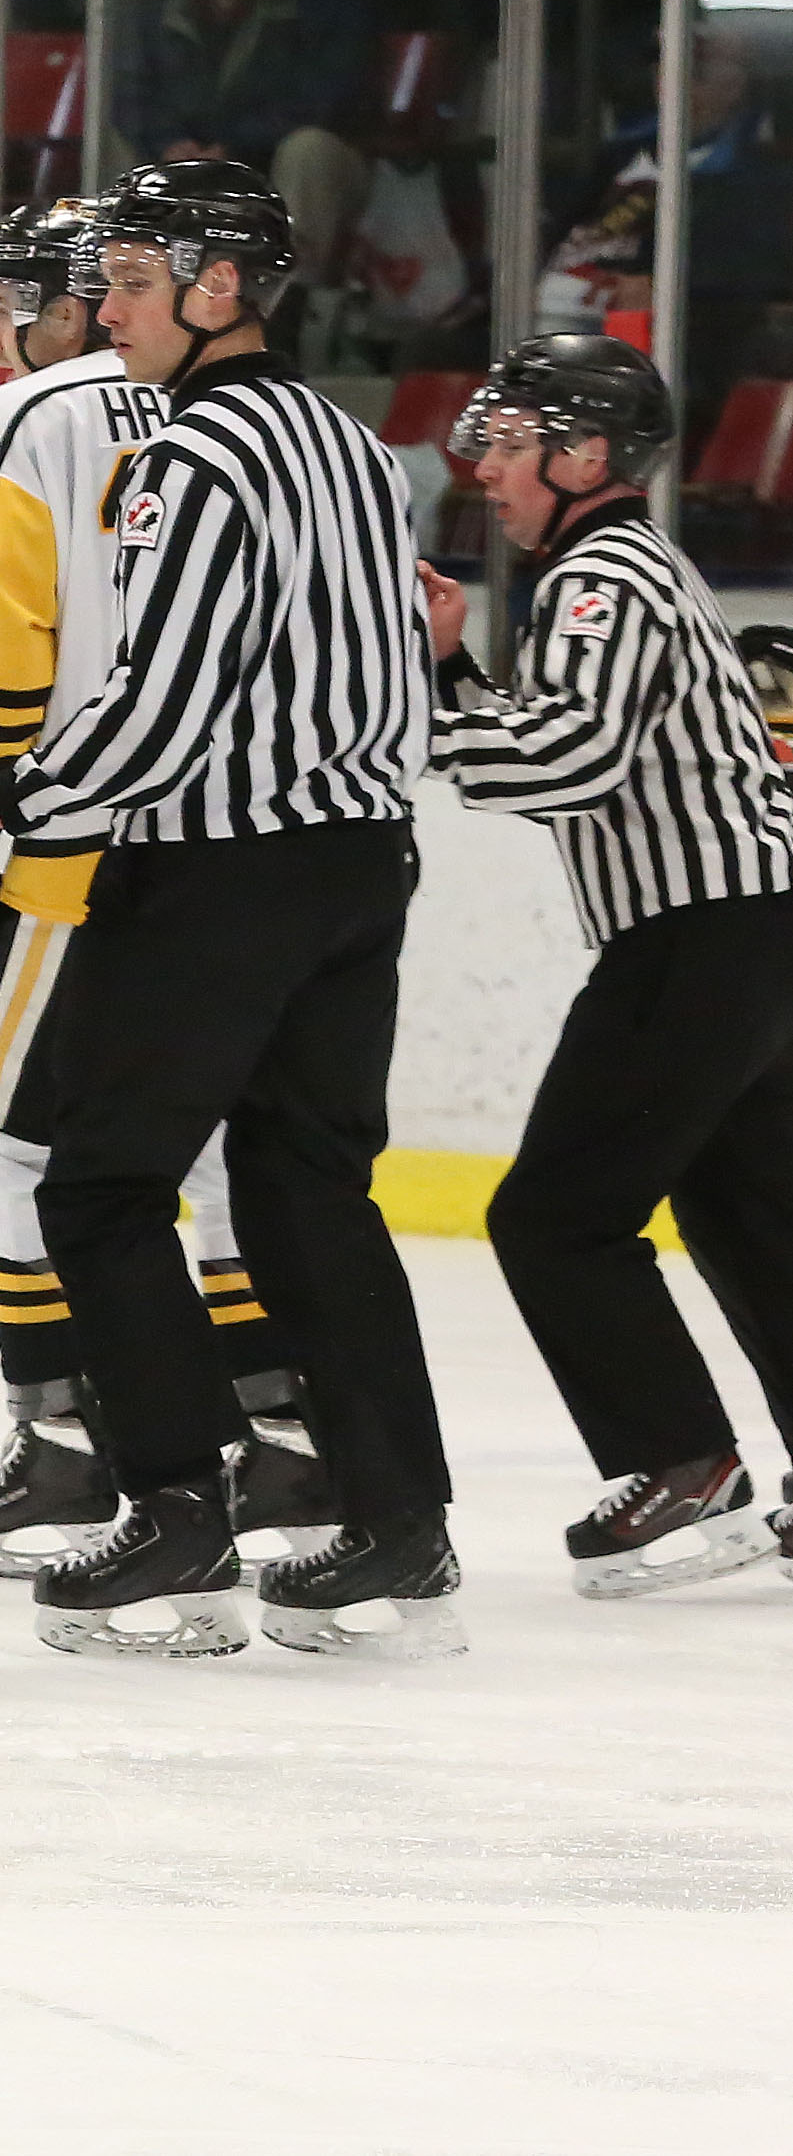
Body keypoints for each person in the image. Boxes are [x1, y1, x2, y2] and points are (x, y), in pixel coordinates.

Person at [0, 161, 451, 1662]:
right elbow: (397, 658)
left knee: (92, 1184)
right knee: (305, 1190)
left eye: (139, 282)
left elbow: (161, 707)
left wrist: (5, 797)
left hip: (224, 874)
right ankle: (400, 1526)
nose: (111, 309)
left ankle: (173, 1509)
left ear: (220, 289)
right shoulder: (355, 444)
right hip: (361, 861)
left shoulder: (192, 457)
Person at [0, 195, 326, 1581]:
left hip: (74, 843)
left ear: (72, 301)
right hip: (246, 841)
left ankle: (69, 1438)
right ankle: (288, 1441)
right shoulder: (272, 414)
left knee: (20, 1147)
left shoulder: (20, 422)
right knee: (210, 1155)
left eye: (8, 299)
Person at [420, 337, 793, 1598]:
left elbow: (561, 766)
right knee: (745, 1209)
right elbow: (558, 751)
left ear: (585, 454)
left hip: (698, 935)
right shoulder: (620, 569)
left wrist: (399, 712)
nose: (488, 471)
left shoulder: (602, 580)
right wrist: (452, 671)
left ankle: (679, 1457)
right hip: (751, 930)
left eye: (512, 444)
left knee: (553, 1217)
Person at [126, 0, 373, 285]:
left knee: (310, 150)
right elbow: (131, 93)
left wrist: (235, 147)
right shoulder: (159, 7)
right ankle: (130, 281)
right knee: (120, 146)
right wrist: (168, 143)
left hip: (276, 159)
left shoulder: (319, 4)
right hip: (190, 160)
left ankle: (288, 295)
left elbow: (327, 98)